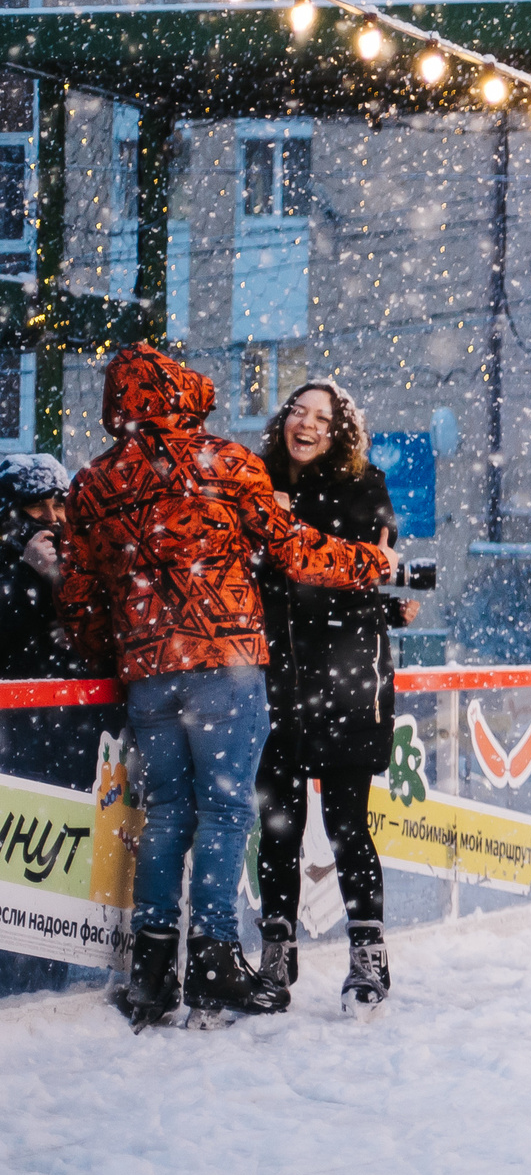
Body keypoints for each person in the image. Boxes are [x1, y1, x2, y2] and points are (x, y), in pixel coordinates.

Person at [61, 344, 392, 1030]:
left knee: (167, 813)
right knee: (223, 812)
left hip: (148, 673)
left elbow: (81, 596)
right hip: (225, 662)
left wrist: (119, 648)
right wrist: (374, 561)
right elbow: (296, 548)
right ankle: (212, 959)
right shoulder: (222, 462)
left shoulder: (92, 484)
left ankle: (152, 974)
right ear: (180, 392)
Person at [252, 381, 418, 1020]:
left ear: (339, 430)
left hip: (349, 681)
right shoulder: (255, 479)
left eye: (323, 417)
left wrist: (293, 532)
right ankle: (277, 950)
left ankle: (368, 955)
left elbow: (370, 566)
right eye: (299, 411)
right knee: (278, 829)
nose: (307, 424)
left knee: (349, 824)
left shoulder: (361, 487)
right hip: (276, 682)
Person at [0, 453, 120, 786]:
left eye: (59, 505)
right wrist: (25, 574)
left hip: (82, 722)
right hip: (17, 726)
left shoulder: (86, 558)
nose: (51, 517)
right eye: (37, 507)